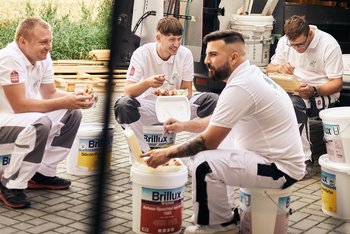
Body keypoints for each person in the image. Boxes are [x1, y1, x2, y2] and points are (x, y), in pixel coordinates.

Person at [143, 30, 305, 234]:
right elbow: (219, 119)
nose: (206, 61)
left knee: (204, 164)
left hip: (280, 169)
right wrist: (184, 125)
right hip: (269, 158)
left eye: (213, 55)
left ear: (234, 57)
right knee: (218, 149)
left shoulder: (241, 86)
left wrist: (166, 152)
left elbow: (208, 142)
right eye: (206, 54)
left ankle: (216, 228)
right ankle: (225, 217)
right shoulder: (250, 75)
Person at [0, 17, 97, 209]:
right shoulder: (9, 58)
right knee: (40, 123)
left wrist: (77, 98)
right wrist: (65, 101)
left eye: (50, 41)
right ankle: (10, 183)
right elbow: (19, 105)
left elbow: (50, 93)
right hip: (5, 120)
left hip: (20, 118)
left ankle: (42, 173)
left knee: (72, 114)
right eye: (43, 42)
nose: (49, 46)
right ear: (22, 42)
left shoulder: (42, 58)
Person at [114, 16, 218, 163]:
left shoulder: (185, 54)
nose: (176, 44)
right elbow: (128, 91)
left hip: (177, 104)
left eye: (178, 39)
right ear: (158, 37)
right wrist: (148, 83)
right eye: (171, 39)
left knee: (212, 101)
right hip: (149, 107)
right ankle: (142, 156)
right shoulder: (142, 53)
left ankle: (188, 154)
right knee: (123, 105)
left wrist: (174, 93)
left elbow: (187, 90)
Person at [266, 15, 343, 178]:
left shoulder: (328, 44)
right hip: (294, 88)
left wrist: (314, 90)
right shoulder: (285, 42)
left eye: (301, 44)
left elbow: (337, 83)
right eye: (292, 45)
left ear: (309, 34)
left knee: (293, 105)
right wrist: (280, 67)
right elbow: (269, 68)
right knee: (269, 101)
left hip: (323, 91)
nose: (297, 49)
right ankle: (275, 154)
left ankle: (305, 160)